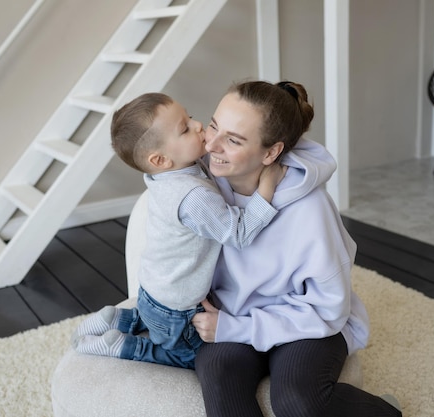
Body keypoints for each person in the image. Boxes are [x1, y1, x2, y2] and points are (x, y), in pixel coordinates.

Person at [191, 80, 403, 417]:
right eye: (214, 126)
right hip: (234, 312)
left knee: (297, 402)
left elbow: (328, 308)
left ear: (271, 152)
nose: (211, 145)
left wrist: (239, 328)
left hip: (307, 321)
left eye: (233, 140)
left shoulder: (310, 208)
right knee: (220, 384)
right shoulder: (200, 189)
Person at [71, 92, 286, 370]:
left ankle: (121, 319)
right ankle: (123, 344)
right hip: (177, 309)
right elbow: (239, 233)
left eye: (191, 117)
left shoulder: (165, 174)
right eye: (185, 129)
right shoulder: (193, 197)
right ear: (160, 159)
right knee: (191, 356)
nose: (198, 126)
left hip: (153, 290)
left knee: (155, 319)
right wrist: (267, 187)